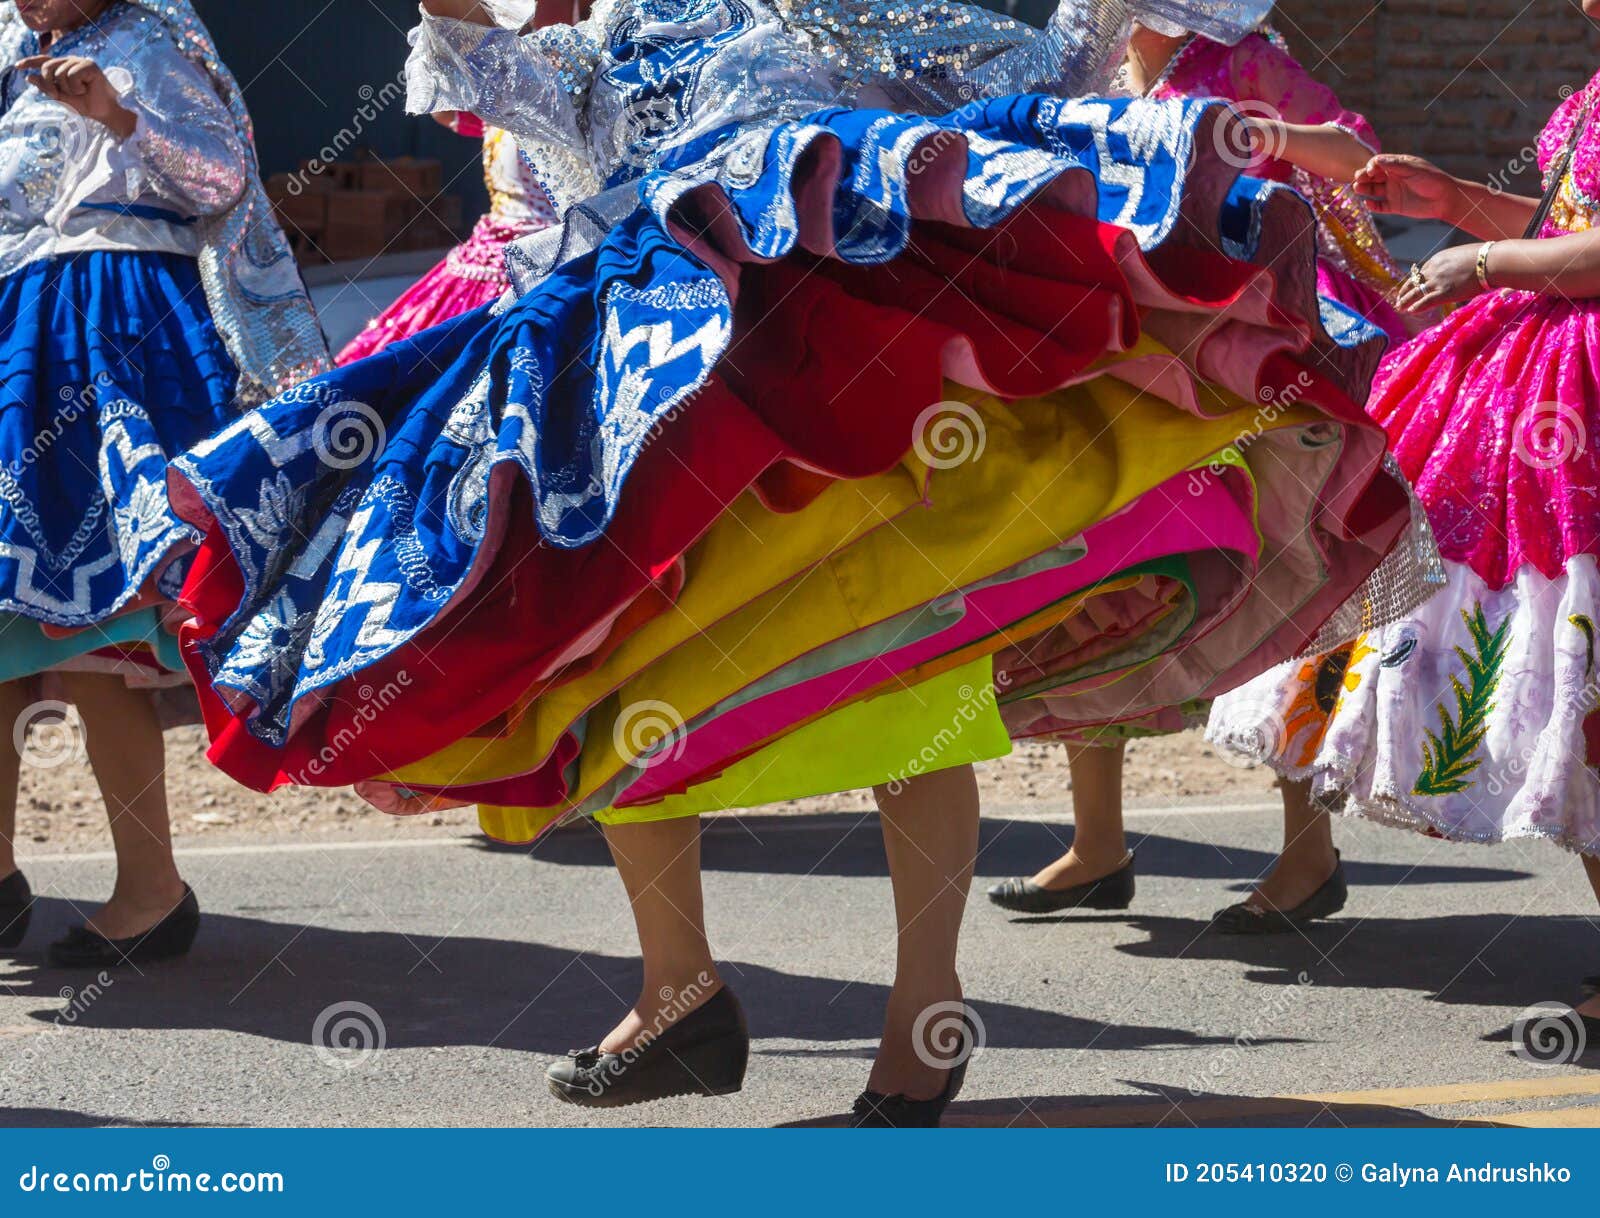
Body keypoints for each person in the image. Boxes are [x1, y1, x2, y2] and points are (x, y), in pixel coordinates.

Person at [168, 0, 1408, 1124]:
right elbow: (531, 103)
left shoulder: (903, 15)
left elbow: (1056, 80)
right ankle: (679, 995)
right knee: (614, 679)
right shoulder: (629, 35)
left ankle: (924, 1014)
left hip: (881, 386)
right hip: (679, 396)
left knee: (902, 690)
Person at [1211, 0, 1600, 1046]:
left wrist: (1479, 266)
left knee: (1583, 667)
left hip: (1577, 408)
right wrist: (1459, 203)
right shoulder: (1590, 101)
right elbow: (1559, 234)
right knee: (1563, 677)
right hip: (1527, 389)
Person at [987, 8, 1419, 930]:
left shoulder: (1240, 61)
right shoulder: (1091, 72)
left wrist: (1255, 134)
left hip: (1252, 364)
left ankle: (1307, 853)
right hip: (1125, 360)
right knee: (1094, 578)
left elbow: (1357, 157)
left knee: (1285, 575)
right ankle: (1097, 844)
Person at [0, 0, 326, 966]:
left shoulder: (151, 40)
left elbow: (223, 175)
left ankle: (149, 890)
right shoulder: (11, 45)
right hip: (18, 332)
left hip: (115, 335)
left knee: (102, 633)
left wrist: (117, 114)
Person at [335, 113, 556, 364]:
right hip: (487, 252)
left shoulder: (569, 105)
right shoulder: (496, 106)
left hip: (552, 255)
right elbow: (444, 111)